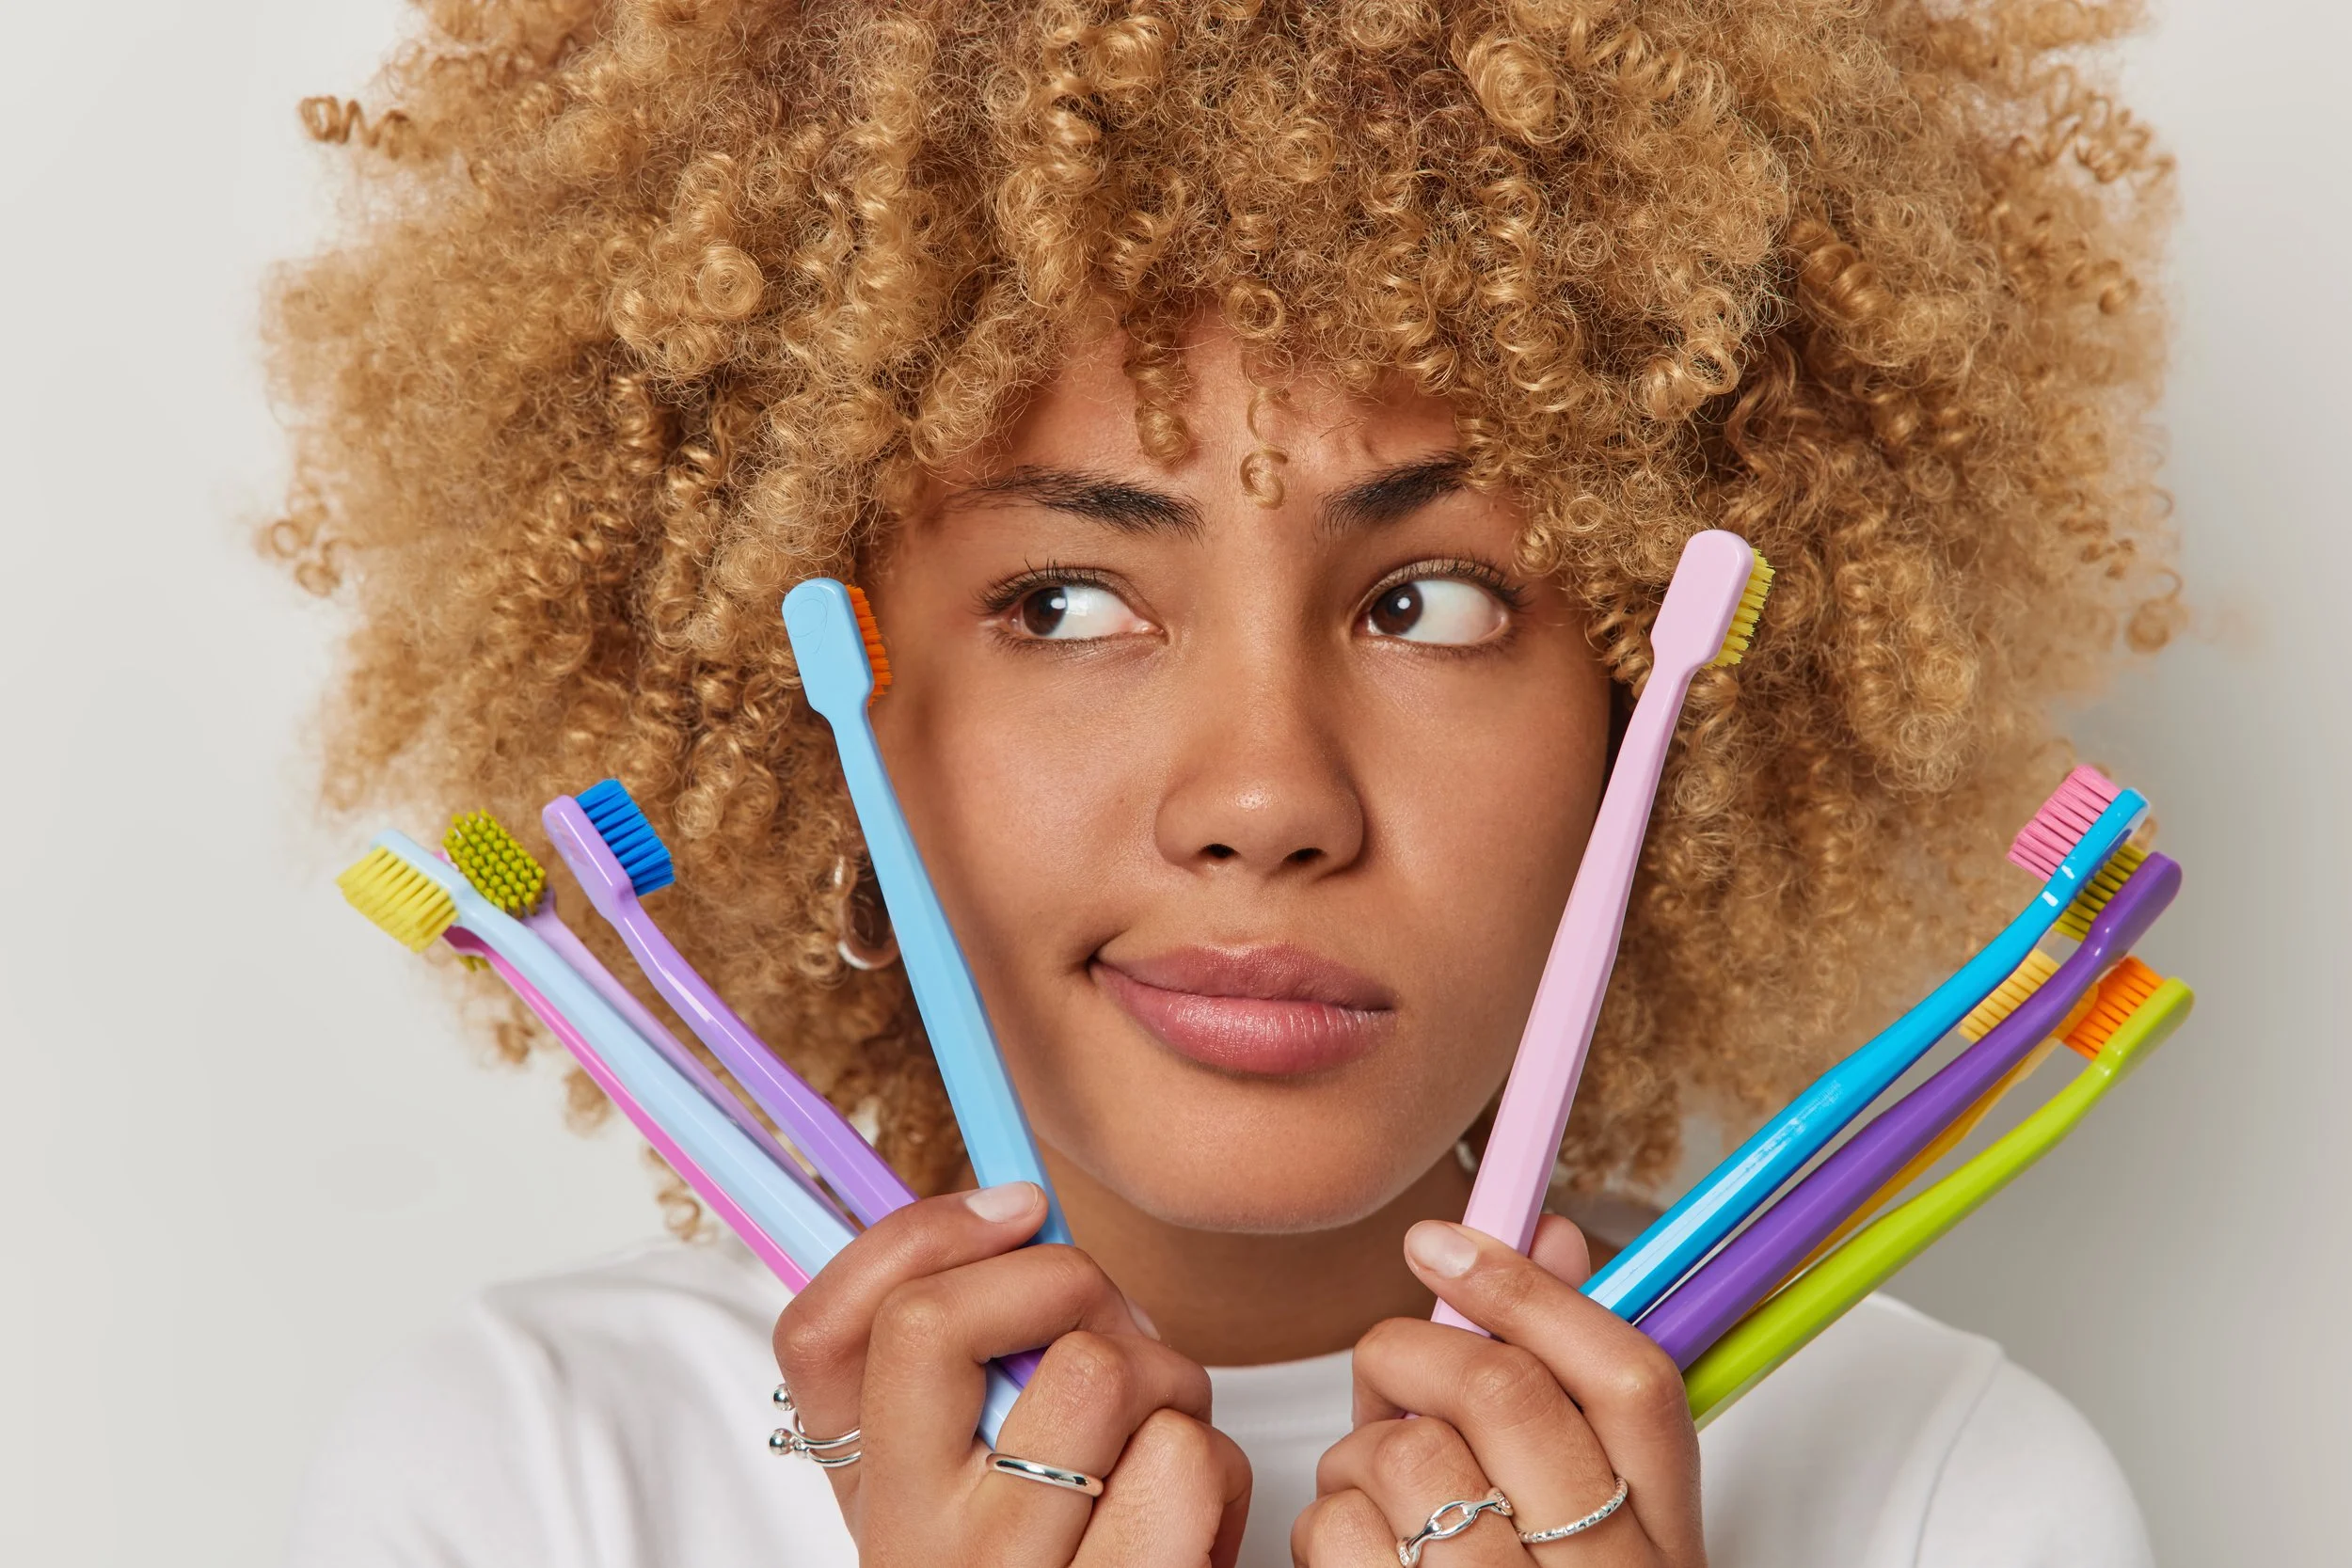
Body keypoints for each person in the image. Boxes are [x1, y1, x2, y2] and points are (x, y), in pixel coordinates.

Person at [269, 2, 2176, 1563]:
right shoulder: (531, 1473)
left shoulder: (1943, 1490)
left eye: (1430, 603)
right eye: (1066, 601)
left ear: (1640, 716)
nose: (1265, 797)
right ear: (818, 699)